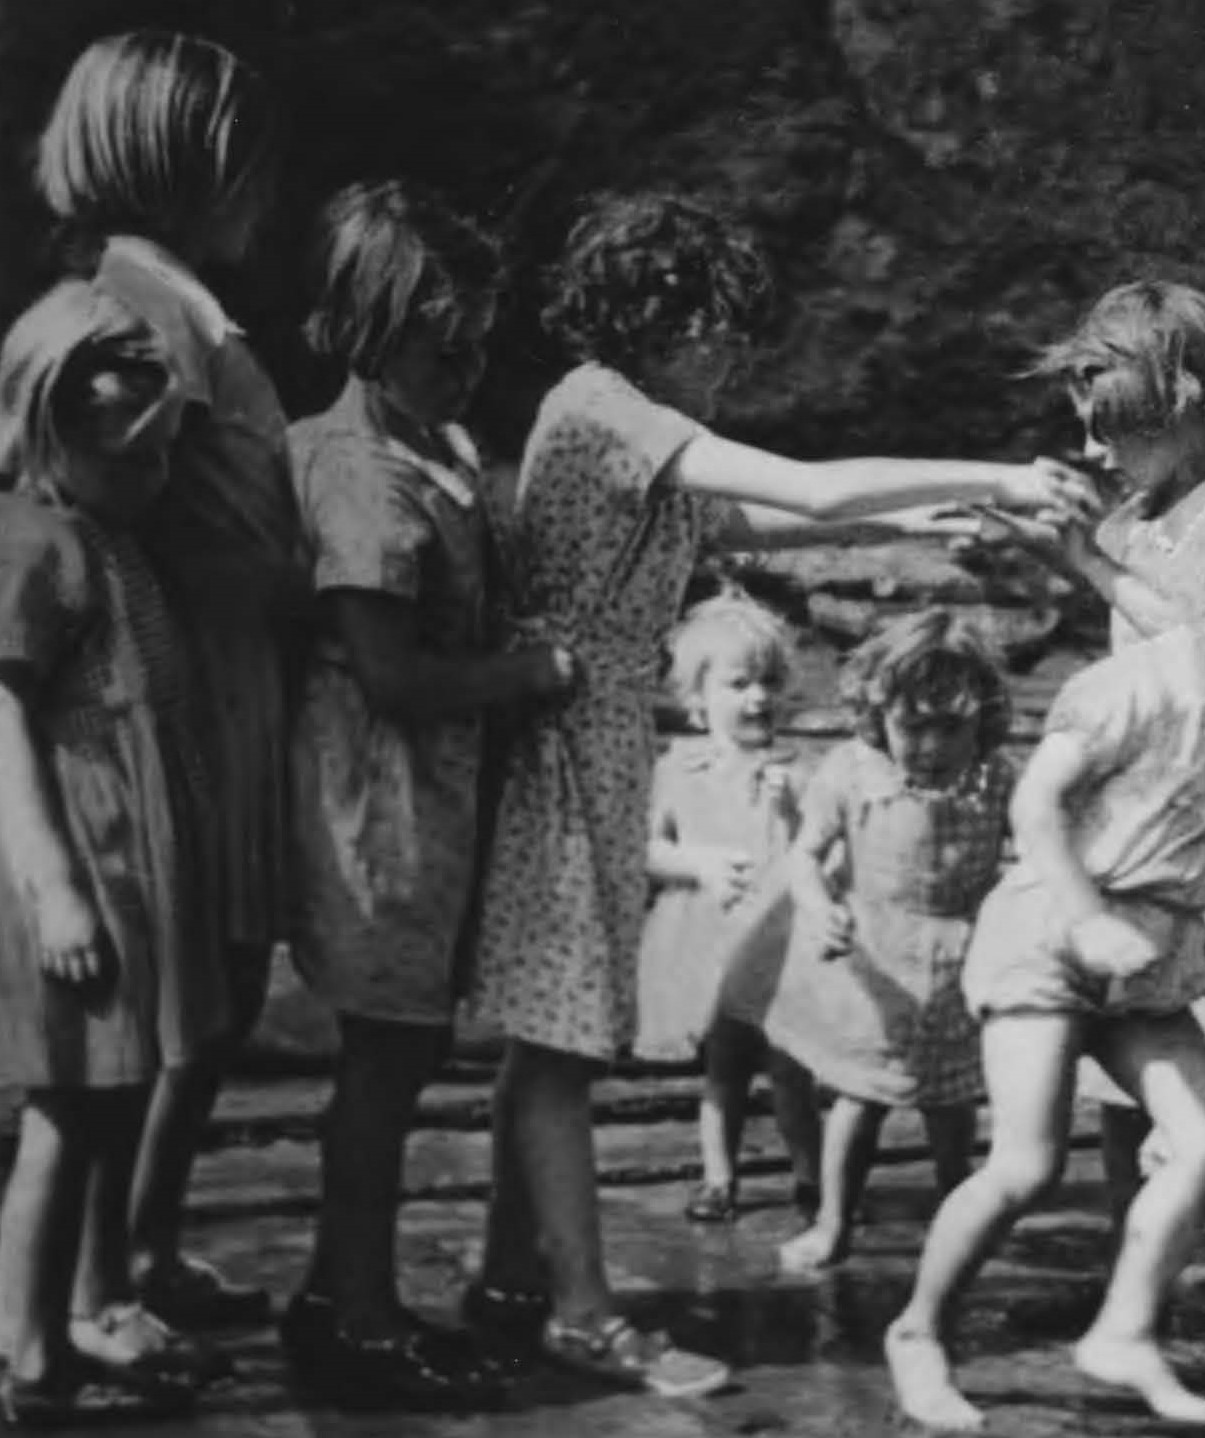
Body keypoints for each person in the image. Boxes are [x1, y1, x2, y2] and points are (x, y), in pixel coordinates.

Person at [459, 188, 1097, 1399]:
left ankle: (512, 1283)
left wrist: (935, 510)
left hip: (583, 740)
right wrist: (1004, 478)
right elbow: (807, 489)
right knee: (555, 1046)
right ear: (668, 319)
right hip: (568, 742)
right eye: (723, 333)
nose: (734, 359)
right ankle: (584, 1316)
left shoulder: (624, 430)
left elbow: (759, 521)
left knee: (548, 1036)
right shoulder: (608, 410)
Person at [886, 516, 1205, 1432]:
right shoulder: (1142, 685)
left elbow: (1192, 845)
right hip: (1051, 935)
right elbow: (1035, 804)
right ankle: (918, 1333)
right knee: (1026, 1164)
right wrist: (1088, 921)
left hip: (1151, 965)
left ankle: (1123, 1332)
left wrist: (1188, 941)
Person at [277, 181, 575, 1410]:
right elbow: (392, 676)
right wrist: (531, 671)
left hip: (432, 806)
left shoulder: (430, 445)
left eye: (480, 348)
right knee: (385, 1065)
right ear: (367, 332)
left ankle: (332, 1290)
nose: (467, 371)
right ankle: (356, 1311)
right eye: (443, 350)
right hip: (378, 809)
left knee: (398, 1056)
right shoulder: (357, 470)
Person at [1006, 280, 1205, 1377]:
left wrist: (1086, 569)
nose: (1096, 452)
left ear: (1187, 392)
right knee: (1114, 1059)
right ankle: (1131, 1286)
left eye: (1114, 427)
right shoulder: (1127, 518)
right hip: (1133, 818)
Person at [36, 29, 302, 1331]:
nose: (267, 187)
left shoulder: (175, 296)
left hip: (234, 668)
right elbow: (116, 501)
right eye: (246, 161)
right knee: (177, 997)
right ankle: (103, 1281)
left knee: (225, 982)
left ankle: (143, 1247)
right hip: (185, 678)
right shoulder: (139, 305)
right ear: (187, 162)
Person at [0, 282, 214, 1425]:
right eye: (136, 459)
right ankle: (26, 1354)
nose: (159, 482)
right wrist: (50, 888)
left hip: (132, 864)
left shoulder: (106, 534)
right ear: (53, 435)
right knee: (63, 1114)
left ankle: (87, 1310)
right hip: (79, 865)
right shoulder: (33, 542)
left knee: (108, 1101)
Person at [761, 610, 1014, 1272]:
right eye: (913, 726)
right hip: (875, 957)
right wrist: (817, 906)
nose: (931, 745)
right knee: (862, 1096)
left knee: (952, 1105)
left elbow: (1040, 848)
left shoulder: (995, 777)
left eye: (950, 727)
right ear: (880, 714)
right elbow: (805, 854)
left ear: (980, 718)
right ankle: (834, 1219)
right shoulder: (852, 772)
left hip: (964, 957)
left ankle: (958, 1218)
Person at [634, 591, 821, 1224]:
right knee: (724, 1069)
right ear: (697, 698)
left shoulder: (794, 769)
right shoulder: (680, 768)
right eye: (739, 684)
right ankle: (719, 1177)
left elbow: (819, 851)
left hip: (780, 944)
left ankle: (809, 1176)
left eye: (769, 683)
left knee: (792, 1066)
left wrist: (793, 809)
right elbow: (648, 849)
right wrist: (697, 862)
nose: (758, 699)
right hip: (708, 942)